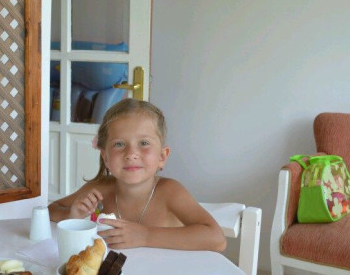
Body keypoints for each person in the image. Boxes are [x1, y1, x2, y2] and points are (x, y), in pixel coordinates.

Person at [48, 99, 225, 251]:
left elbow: (217, 239)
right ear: (106, 157)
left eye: (144, 143)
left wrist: (145, 236)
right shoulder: (99, 189)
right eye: (119, 144)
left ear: (162, 157)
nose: (131, 154)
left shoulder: (170, 192)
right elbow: (51, 209)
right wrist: (72, 216)